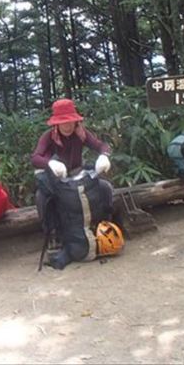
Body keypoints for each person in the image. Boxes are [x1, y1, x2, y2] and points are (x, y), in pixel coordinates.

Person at [31, 98, 116, 268]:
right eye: (63, 122)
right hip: (57, 180)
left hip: (78, 176)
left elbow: (101, 145)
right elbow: (35, 158)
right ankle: (53, 236)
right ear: (56, 123)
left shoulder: (81, 133)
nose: (67, 126)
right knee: (41, 197)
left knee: (105, 188)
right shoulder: (48, 137)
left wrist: (104, 156)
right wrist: (50, 163)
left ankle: (104, 225)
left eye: (70, 121)